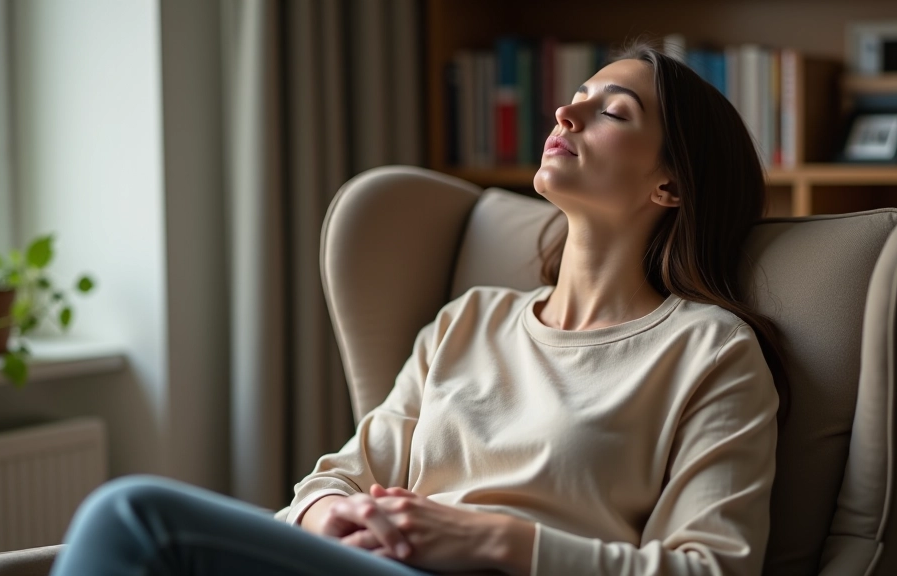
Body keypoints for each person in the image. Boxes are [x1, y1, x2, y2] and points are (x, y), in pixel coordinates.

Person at [49, 42, 785, 576]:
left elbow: (711, 568)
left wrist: (491, 540)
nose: (566, 109)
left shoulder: (710, 351)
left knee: (134, 518)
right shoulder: (470, 322)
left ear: (671, 187)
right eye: (578, 97)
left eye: (611, 111)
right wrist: (326, 515)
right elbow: (332, 478)